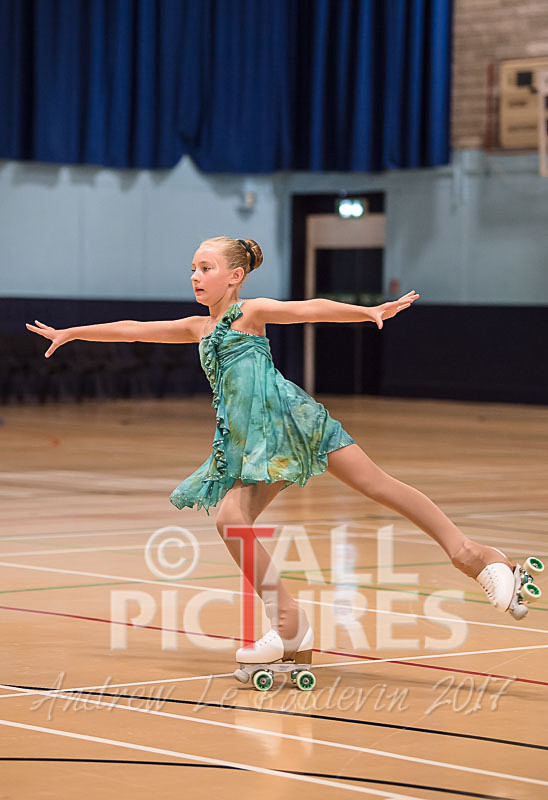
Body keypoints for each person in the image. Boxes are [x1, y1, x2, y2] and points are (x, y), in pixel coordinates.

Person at [26, 235, 536, 672]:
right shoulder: (197, 328)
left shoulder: (250, 312)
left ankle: (477, 558)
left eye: (206, 268)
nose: (196, 276)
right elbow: (135, 327)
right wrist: (73, 332)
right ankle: (290, 625)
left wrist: (368, 311)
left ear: (236, 276)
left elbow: (310, 309)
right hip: (253, 445)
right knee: (230, 518)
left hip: (292, 421)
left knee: (380, 487)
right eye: (193, 268)